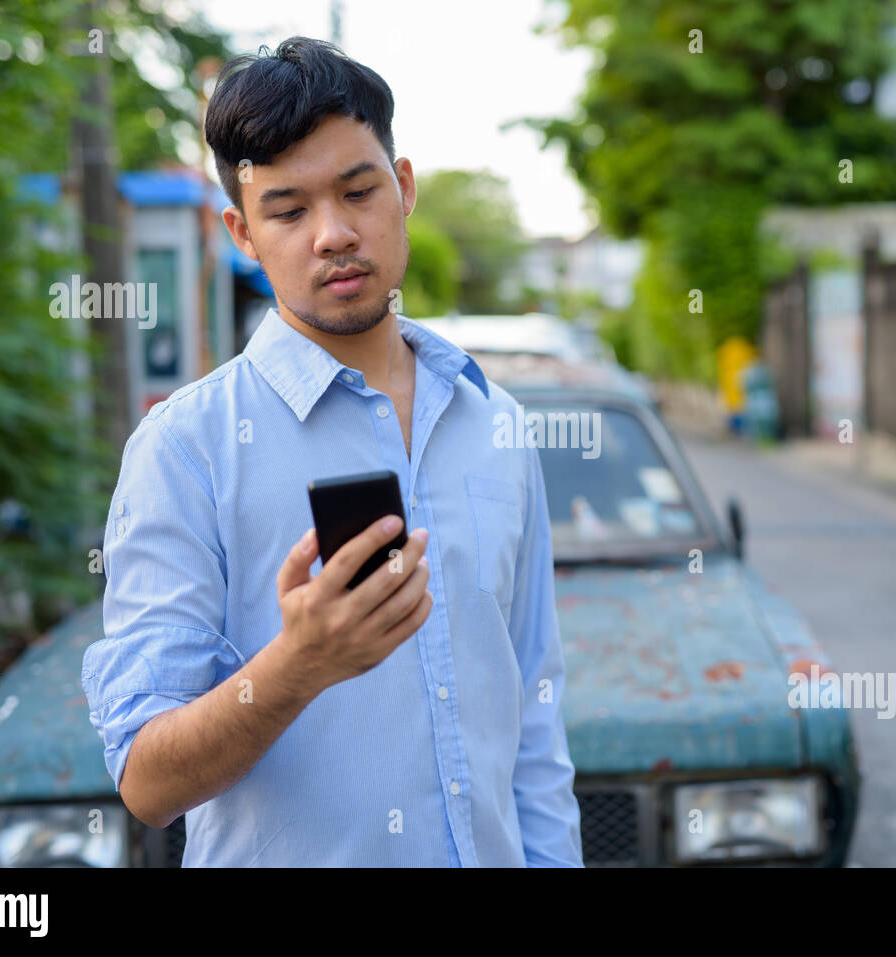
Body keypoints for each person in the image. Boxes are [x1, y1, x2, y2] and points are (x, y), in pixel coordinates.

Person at [80, 36, 583, 867]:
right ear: (243, 231)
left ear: (404, 187)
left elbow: (532, 716)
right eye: (289, 210)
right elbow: (145, 779)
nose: (334, 234)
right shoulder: (185, 451)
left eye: (359, 191)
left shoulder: (494, 423)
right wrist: (298, 665)